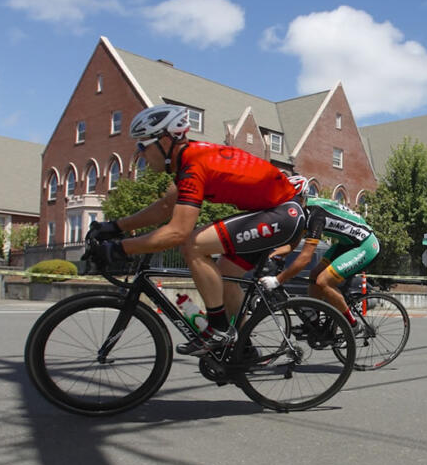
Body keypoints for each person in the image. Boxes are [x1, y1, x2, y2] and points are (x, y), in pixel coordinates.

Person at [85, 104, 308, 356]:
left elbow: (177, 233)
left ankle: (219, 330)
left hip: (283, 214)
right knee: (224, 276)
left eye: (142, 145)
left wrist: (117, 248)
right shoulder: (190, 160)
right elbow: (165, 207)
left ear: (166, 141)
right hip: (274, 212)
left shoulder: (194, 167)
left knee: (192, 243)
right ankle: (242, 349)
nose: (140, 154)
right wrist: (114, 227)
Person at [257, 195, 380, 335]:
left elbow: (305, 258)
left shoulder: (315, 215)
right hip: (346, 244)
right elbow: (292, 246)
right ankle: (314, 323)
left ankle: (353, 325)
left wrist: (278, 279)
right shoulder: (303, 212)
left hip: (365, 245)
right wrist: (270, 257)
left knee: (324, 281)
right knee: (314, 275)